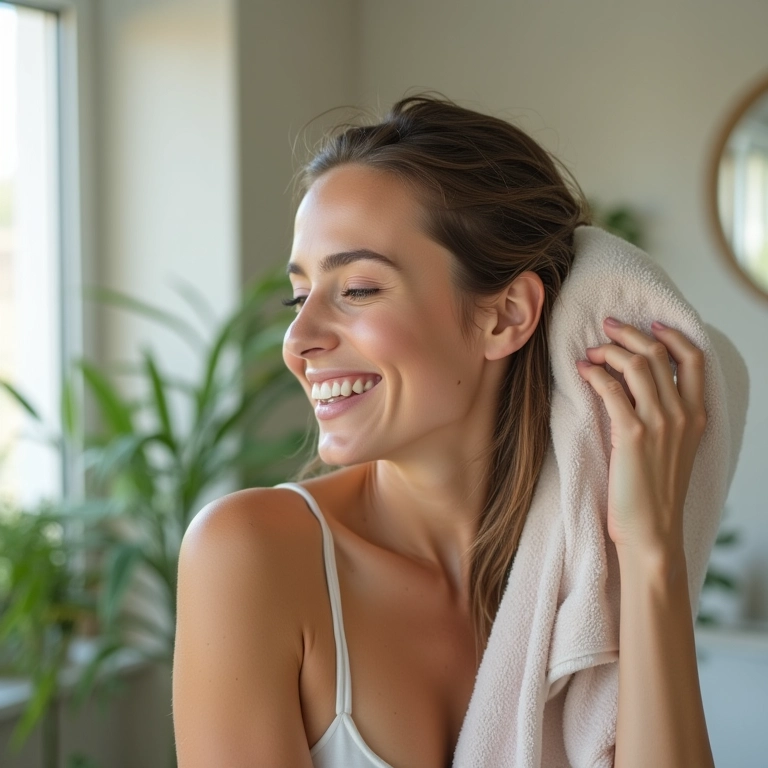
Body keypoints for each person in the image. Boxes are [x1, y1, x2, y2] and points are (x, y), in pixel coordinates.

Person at [172, 93, 714, 767]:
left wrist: (652, 553)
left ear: (505, 315)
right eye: (299, 294)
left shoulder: (576, 586)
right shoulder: (253, 555)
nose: (298, 338)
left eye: (359, 289)